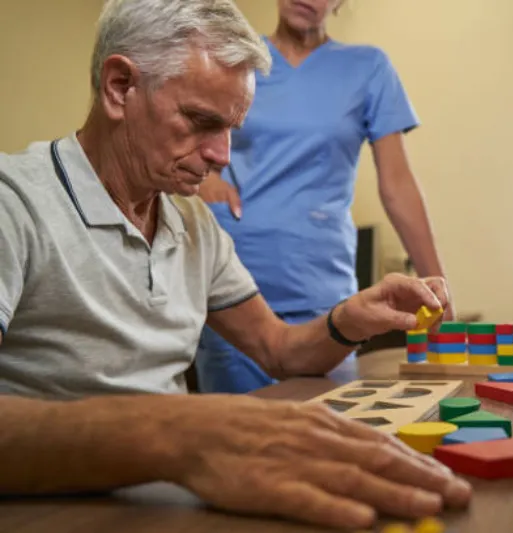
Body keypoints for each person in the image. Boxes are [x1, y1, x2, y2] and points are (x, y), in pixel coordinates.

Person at [0, 0, 471, 529]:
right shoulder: (13, 204)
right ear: (119, 87)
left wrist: (347, 320)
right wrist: (182, 434)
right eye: (201, 122)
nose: (223, 156)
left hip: (163, 508)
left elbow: (278, 349)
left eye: (233, 130)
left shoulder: (193, 225)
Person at [195, 0, 453, 393]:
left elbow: (398, 184)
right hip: (233, 288)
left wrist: (437, 284)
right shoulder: (238, 60)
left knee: (322, 439)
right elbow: (189, 130)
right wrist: (206, 179)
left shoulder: (369, 68)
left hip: (319, 288)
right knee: (233, 444)